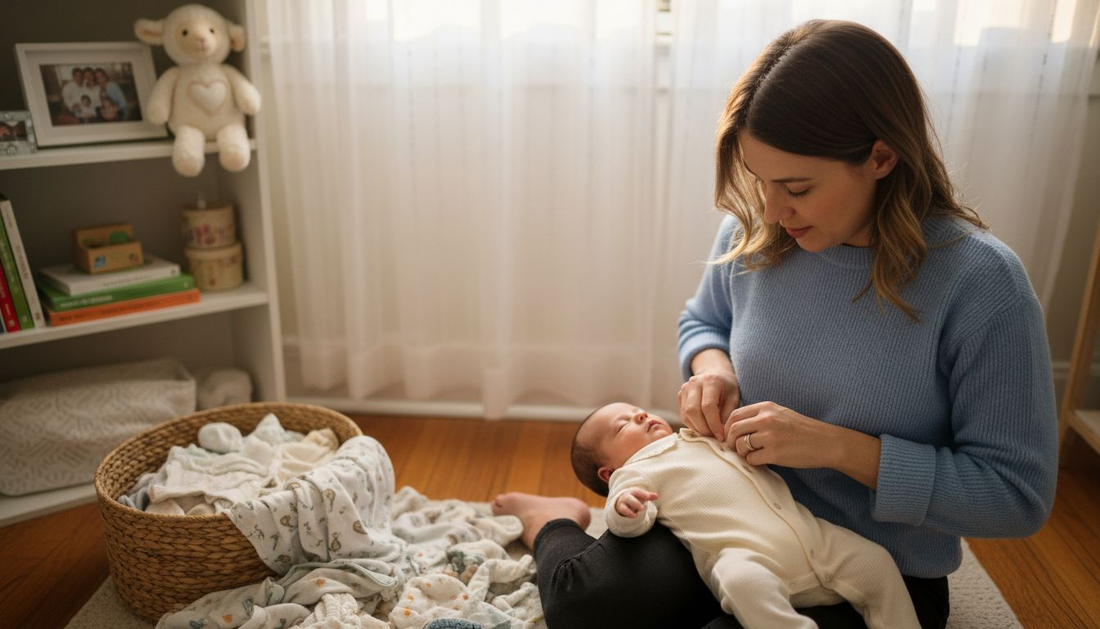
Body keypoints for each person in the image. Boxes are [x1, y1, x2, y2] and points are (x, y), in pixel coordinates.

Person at [492, 19, 1057, 629]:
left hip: (875, 563)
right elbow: (702, 321)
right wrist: (713, 370)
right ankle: (552, 517)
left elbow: (1015, 496)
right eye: (760, 182)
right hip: (732, 520)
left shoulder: (981, 284)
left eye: (796, 187)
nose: (769, 210)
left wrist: (838, 449)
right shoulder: (760, 235)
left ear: (881, 157)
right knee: (585, 607)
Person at [575, 402, 920, 629]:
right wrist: (626, 507)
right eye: (623, 426)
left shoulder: (697, 437)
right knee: (741, 583)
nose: (640, 416)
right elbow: (623, 518)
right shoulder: (636, 471)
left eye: (639, 411)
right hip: (745, 553)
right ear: (608, 472)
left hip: (812, 535)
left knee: (876, 563)